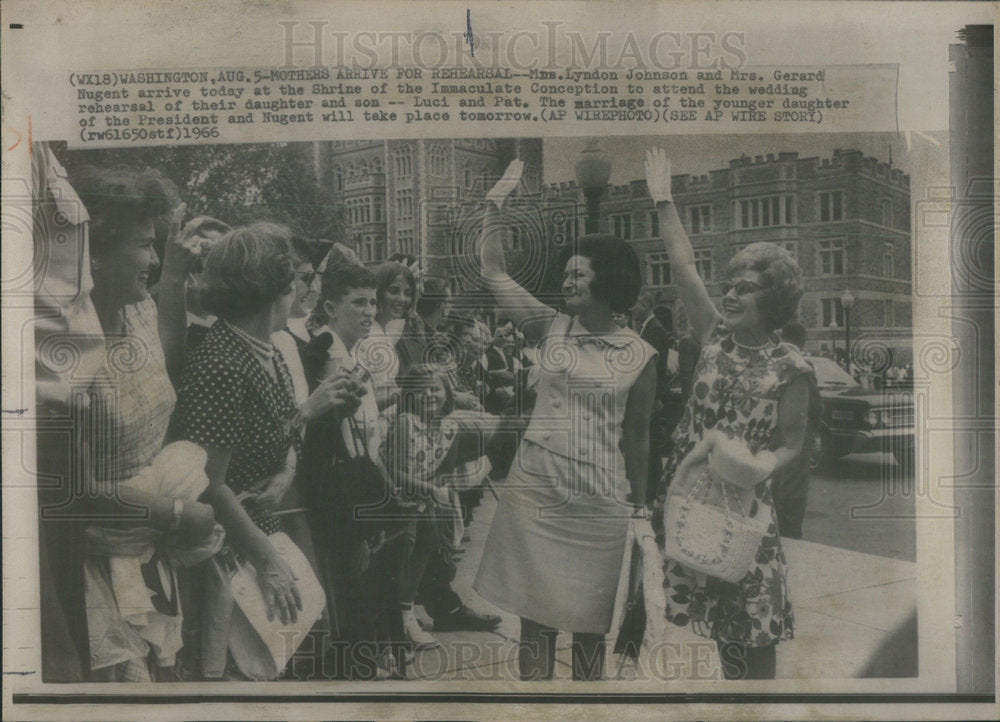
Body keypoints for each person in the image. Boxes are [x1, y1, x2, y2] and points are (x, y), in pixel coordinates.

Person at [473, 159, 658, 681]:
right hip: (535, 487)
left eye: (578, 272)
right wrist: (494, 205)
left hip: (600, 497)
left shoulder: (642, 355)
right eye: (567, 271)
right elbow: (493, 271)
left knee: (590, 626)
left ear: (609, 279)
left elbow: (638, 441)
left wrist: (641, 510)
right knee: (534, 621)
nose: (566, 280)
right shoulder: (548, 327)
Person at [645, 148, 813, 680]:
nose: (732, 292)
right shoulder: (714, 336)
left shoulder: (792, 366)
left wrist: (758, 464)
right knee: (699, 621)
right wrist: (664, 199)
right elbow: (684, 266)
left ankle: (754, 710)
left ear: (776, 298)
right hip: (688, 493)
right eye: (732, 284)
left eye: (747, 286)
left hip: (743, 506)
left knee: (749, 625)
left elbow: (792, 442)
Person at [171, 223, 357, 679]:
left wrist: (286, 462)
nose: (299, 287)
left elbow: (275, 425)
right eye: (294, 276)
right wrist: (267, 559)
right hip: (229, 552)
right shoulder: (223, 361)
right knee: (245, 674)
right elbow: (209, 483)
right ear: (272, 286)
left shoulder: (265, 350)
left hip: (259, 533)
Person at [66, 165, 218, 682]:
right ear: (97, 253)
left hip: (150, 547)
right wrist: (174, 512)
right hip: (97, 564)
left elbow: (163, 368)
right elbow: (73, 490)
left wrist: (173, 275)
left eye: (155, 247)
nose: (152, 261)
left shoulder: (141, 314)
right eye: (142, 246)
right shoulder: (66, 347)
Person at [385, 365, 502, 653]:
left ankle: (410, 612)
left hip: (430, 503)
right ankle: (402, 620)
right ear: (410, 394)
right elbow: (395, 471)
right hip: (403, 505)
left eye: (435, 389)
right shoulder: (405, 422)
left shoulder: (449, 427)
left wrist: (444, 494)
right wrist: (429, 490)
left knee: (427, 555)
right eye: (422, 389)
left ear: (447, 394)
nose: (429, 395)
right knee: (405, 561)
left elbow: (444, 472)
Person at [770, 321, 822, 540]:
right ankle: (790, 537)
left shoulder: (772, 356)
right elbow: (814, 405)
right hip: (797, 436)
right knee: (793, 493)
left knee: (775, 488)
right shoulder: (800, 363)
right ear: (803, 340)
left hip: (771, 434)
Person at [354, 261, 417, 411]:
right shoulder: (365, 337)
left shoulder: (387, 333)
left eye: (408, 293)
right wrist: (406, 391)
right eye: (394, 291)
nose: (402, 299)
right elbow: (361, 403)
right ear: (379, 292)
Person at [631, 292, 673, 504]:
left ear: (646, 304)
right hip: (650, 393)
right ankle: (650, 488)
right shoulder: (648, 327)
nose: (633, 307)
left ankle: (651, 490)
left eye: (636, 303)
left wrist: (656, 397)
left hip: (652, 393)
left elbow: (656, 368)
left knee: (651, 445)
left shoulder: (654, 329)